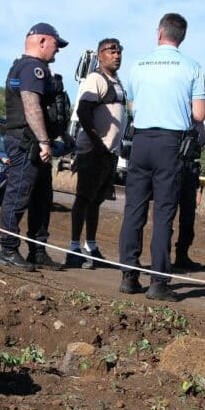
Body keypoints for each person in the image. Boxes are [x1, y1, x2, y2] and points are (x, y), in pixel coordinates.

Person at [119, 13, 205, 301]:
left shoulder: (139, 64)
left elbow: (131, 106)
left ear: (159, 33)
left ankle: (128, 276)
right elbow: (199, 114)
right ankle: (158, 282)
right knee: (164, 213)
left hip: (141, 140)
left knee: (134, 209)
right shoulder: (192, 67)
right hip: (171, 144)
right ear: (182, 37)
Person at [0, 22, 69, 271]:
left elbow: (50, 109)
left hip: (34, 143)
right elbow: (31, 106)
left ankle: (37, 251)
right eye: (56, 44)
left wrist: (60, 136)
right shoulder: (31, 68)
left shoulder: (31, 67)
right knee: (18, 195)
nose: (57, 50)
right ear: (42, 41)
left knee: (41, 199)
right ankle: (8, 250)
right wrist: (45, 142)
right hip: (26, 143)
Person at [64, 38, 128, 269]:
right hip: (93, 151)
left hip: (109, 153)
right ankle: (73, 248)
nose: (117, 55)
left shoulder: (117, 82)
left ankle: (91, 246)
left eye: (119, 51)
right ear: (100, 55)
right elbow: (83, 110)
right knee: (83, 198)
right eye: (111, 51)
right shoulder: (95, 79)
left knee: (96, 200)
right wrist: (96, 142)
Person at [173, 121, 205, 271]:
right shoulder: (181, 116)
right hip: (177, 165)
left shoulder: (196, 121)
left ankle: (182, 255)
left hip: (190, 166)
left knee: (187, 215)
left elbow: (201, 141)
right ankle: (164, 256)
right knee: (168, 213)